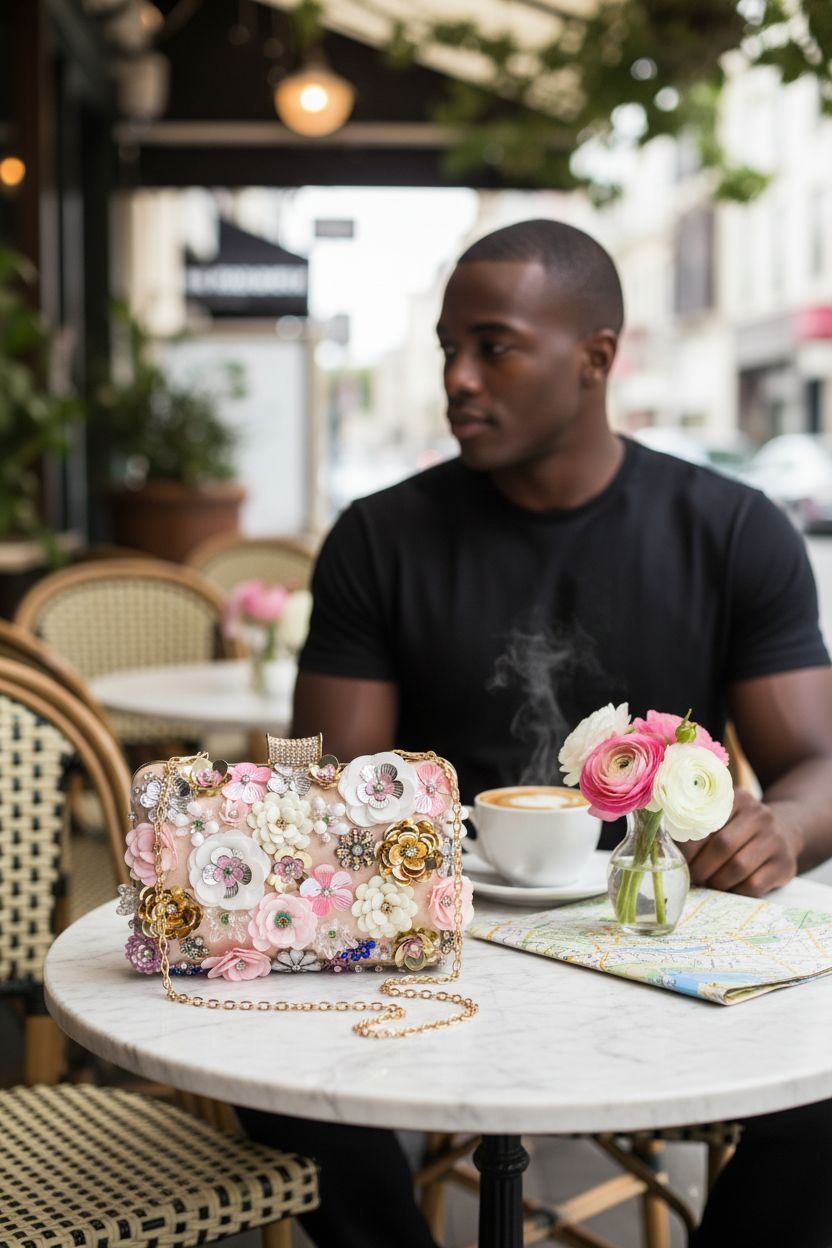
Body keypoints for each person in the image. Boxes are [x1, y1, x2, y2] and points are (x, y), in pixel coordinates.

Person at [238, 219, 832, 1247]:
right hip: (427, 960)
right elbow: (330, 796)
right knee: (260, 1062)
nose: (457, 379)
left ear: (596, 358)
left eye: (493, 345)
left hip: (655, 950)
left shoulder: (731, 531)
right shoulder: (381, 539)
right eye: (445, 349)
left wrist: (780, 825)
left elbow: (818, 763)